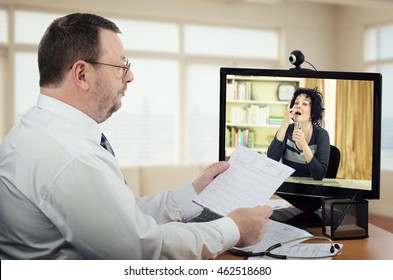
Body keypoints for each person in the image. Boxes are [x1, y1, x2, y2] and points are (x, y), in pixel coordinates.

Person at [0, 13, 272, 260]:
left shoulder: (36, 127)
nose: (130, 76)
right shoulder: (71, 156)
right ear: (82, 74)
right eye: (121, 65)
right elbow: (141, 249)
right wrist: (234, 228)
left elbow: (119, 216)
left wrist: (195, 192)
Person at [267, 87, 330, 180]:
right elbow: (271, 160)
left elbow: (319, 175)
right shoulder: (287, 129)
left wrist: (304, 145)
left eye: (304, 104)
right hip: (287, 185)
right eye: (296, 103)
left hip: (310, 190)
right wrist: (285, 123)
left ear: (313, 112)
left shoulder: (321, 135)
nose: (298, 106)